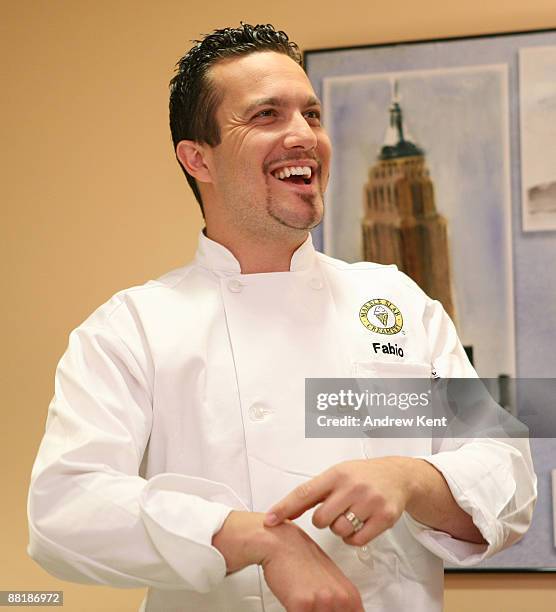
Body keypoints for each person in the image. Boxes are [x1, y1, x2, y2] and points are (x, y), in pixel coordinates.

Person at [28, 23, 537, 612]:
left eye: (312, 114)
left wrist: (411, 478)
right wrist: (261, 540)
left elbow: (507, 473)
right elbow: (65, 509)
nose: (304, 136)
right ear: (199, 159)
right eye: (267, 115)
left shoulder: (396, 305)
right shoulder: (132, 329)